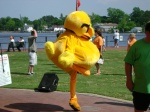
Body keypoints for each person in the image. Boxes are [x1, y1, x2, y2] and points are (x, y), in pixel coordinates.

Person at [124, 21, 150, 112]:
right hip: (141, 88)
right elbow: (128, 63)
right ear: (146, 32)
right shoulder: (137, 45)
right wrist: (129, 80)